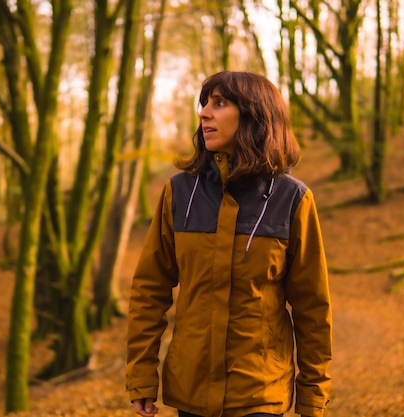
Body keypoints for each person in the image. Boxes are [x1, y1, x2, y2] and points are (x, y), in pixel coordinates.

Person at [125, 71, 332, 417]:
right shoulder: (179, 192)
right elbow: (149, 289)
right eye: (204, 103)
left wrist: (312, 395)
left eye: (219, 104)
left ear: (254, 115)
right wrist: (141, 375)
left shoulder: (292, 199)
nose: (204, 113)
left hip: (259, 392)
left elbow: (312, 307)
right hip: (190, 391)